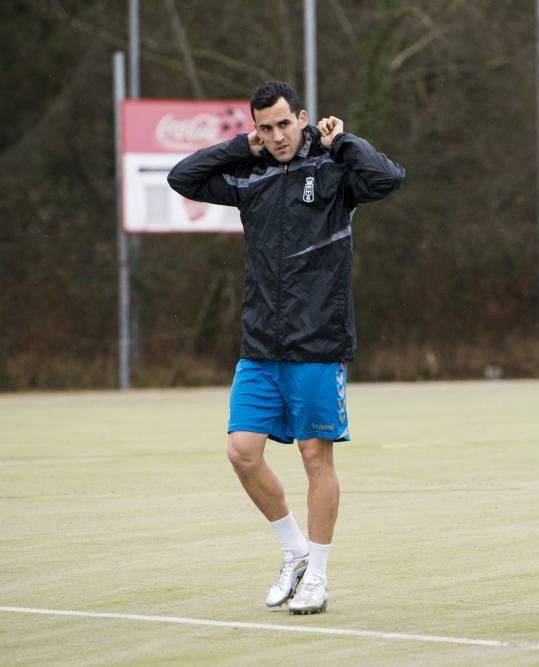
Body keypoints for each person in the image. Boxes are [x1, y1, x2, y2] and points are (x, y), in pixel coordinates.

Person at [168, 80, 405, 615]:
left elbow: (388, 178)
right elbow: (181, 177)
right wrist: (237, 148)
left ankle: (317, 575)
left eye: (284, 123)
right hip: (260, 344)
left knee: (313, 457)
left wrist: (342, 142)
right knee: (241, 452)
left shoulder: (335, 170)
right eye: (266, 127)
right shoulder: (249, 175)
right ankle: (293, 552)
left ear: (302, 117)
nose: (277, 136)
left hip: (318, 343)